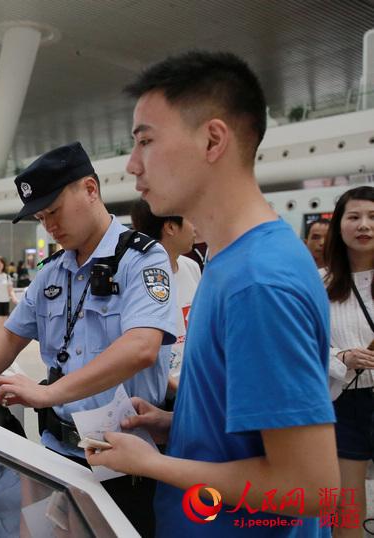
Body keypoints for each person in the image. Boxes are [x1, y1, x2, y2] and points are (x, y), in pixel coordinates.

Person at [85, 50, 339, 535]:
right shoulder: (231, 261)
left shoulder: (258, 282)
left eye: (146, 141)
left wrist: (154, 465)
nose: (132, 165)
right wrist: (177, 426)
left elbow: (307, 484)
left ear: (213, 140)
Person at [0, 141, 178, 536]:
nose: (49, 225)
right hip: (57, 452)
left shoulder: (143, 259)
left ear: (90, 189)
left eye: (53, 211)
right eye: (40, 218)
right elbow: (12, 334)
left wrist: (51, 393)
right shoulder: (52, 272)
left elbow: (141, 347)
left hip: (123, 461)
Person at [321, 187, 374, 538]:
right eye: (353, 217)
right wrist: (342, 358)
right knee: (347, 511)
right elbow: (304, 345)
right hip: (345, 402)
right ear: (338, 225)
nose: (364, 225)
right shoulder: (318, 282)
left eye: (372, 217)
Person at [129, 199, 201, 399]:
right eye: (189, 219)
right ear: (170, 227)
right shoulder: (137, 277)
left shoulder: (191, 267)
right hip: (159, 395)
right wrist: (175, 387)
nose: (195, 226)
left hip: (192, 387)